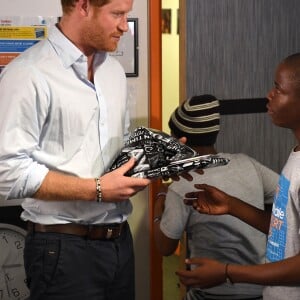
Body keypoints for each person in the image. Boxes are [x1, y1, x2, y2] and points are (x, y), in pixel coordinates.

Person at [0, 1, 151, 300]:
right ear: (83, 6)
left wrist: (158, 159)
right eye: (117, 14)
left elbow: (117, 148)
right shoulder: (29, 74)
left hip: (120, 241)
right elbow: (6, 172)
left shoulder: (113, 72)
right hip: (61, 250)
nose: (125, 26)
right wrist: (96, 189)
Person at [178, 53, 300, 300]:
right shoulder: (296, 155)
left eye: (278, 89)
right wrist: (232, 205)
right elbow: (285, 231)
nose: (269, 95)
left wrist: (228, 272)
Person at [154, 94, 279, 300]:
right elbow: (289, 200)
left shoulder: (181, 185)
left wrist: (160, 198)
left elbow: (165, 247)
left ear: (180, 140)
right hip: (260, 289)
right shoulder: (248, 164)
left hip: (212, 293)